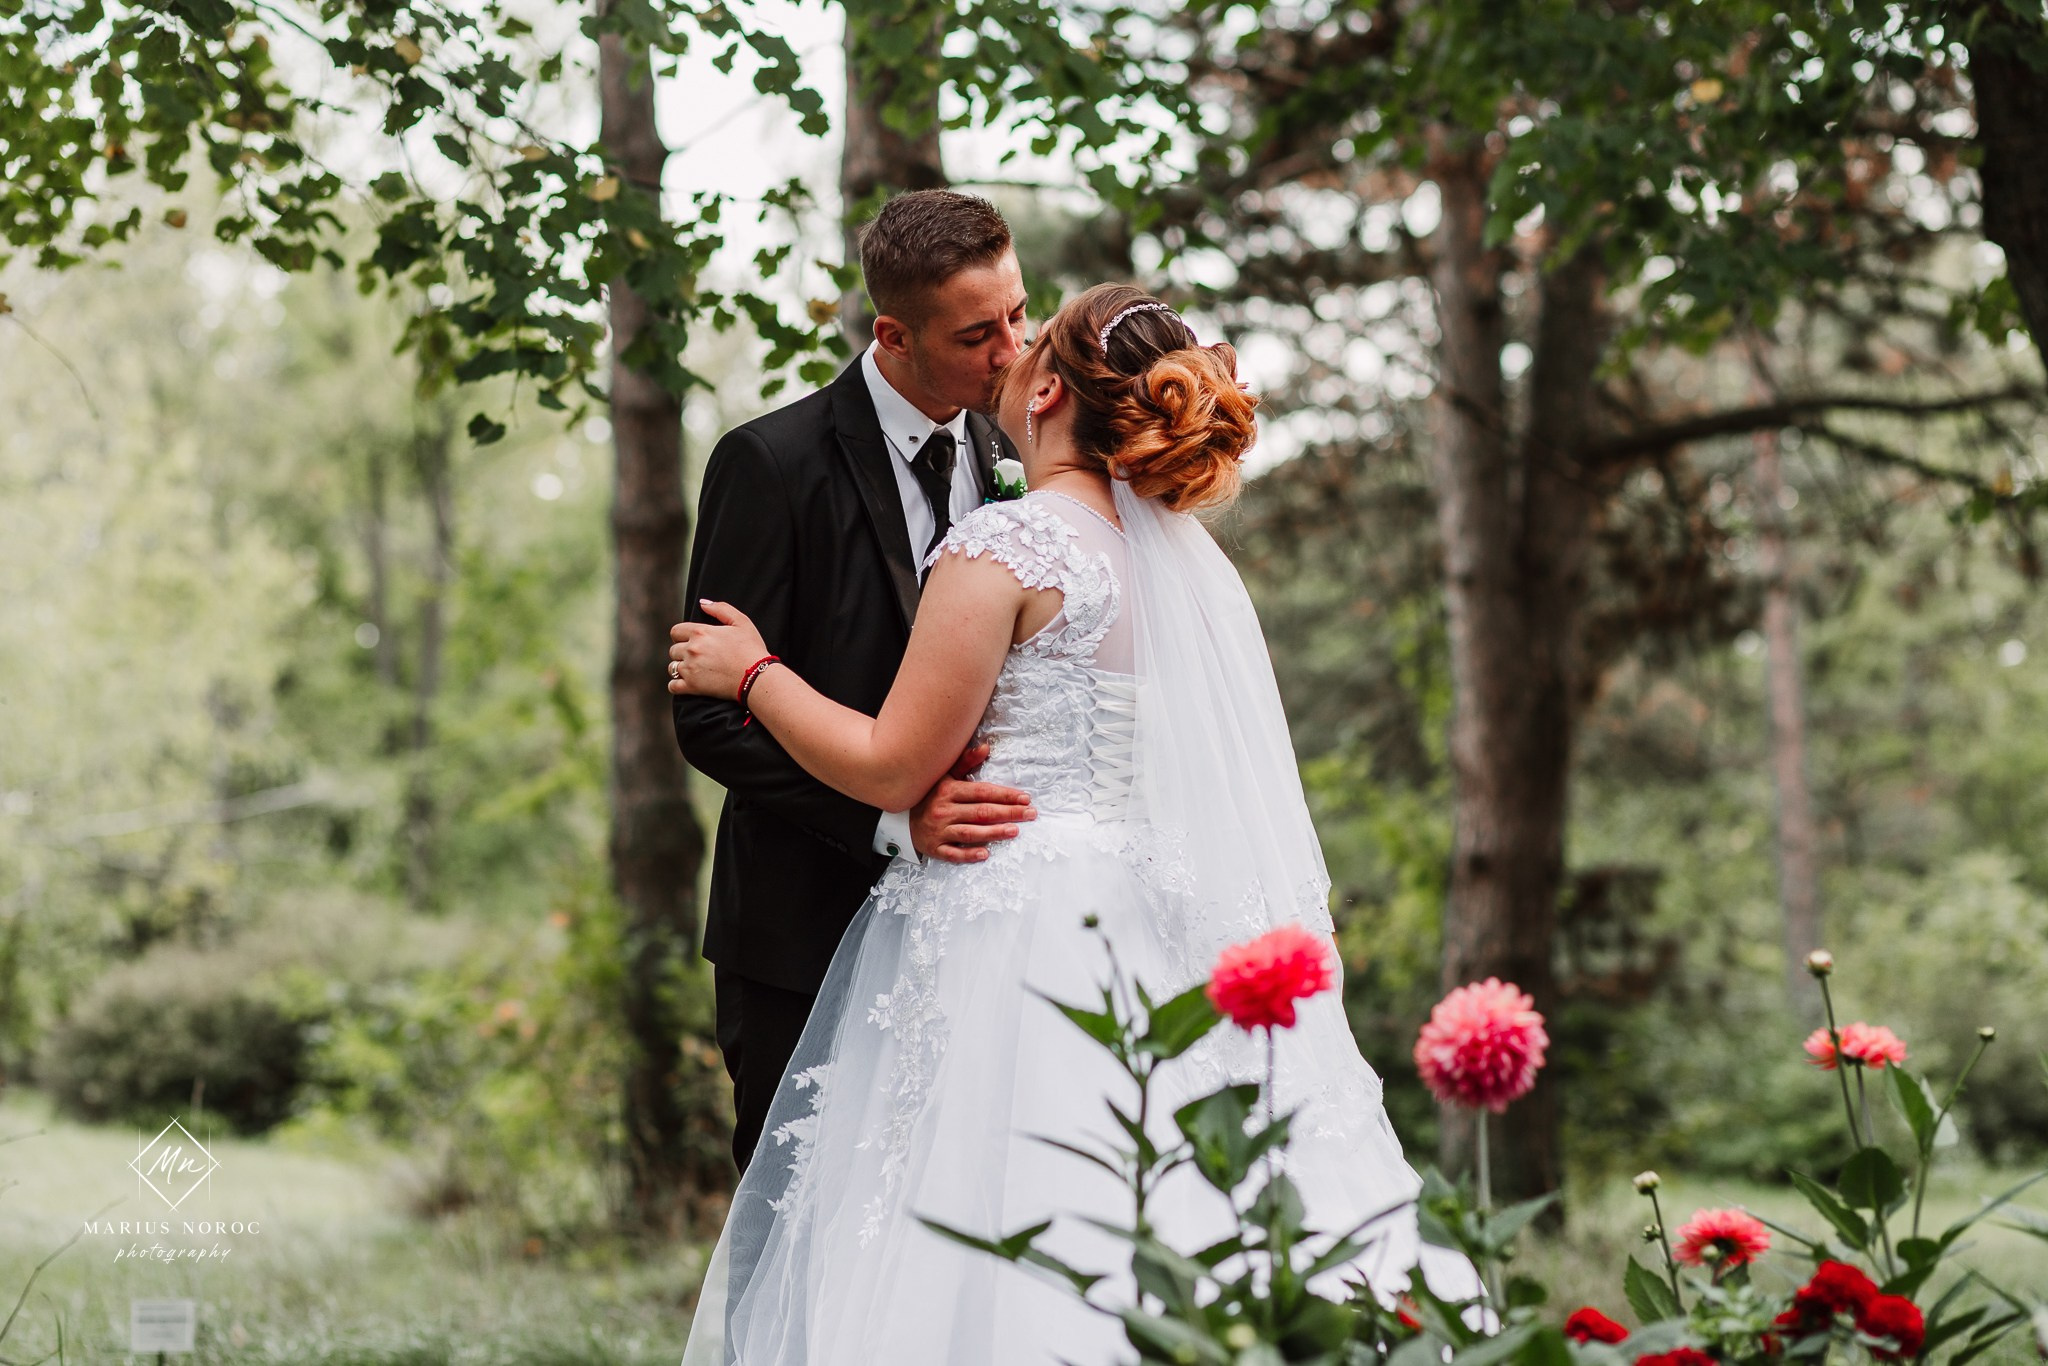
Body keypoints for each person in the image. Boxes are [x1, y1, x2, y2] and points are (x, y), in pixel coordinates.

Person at [670, 284, 1476, 1364]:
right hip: (1149, 906)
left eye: (1026, 335)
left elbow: (890, 763)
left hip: (1010, 911)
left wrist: (754, 671)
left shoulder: (1005, 544)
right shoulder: (1181, 567)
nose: (1005, 349)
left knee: (984, 1208)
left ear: (1046, 388)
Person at [673, 191, 1040, 1175]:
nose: (1012, 350)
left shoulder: (1014, 458)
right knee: (790, 1227)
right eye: (977, 334)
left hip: (972, 922)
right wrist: (891, 821)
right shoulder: (769, 464)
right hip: (801, 928)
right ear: (892, 334)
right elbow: (708, 724)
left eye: (1017, 315)